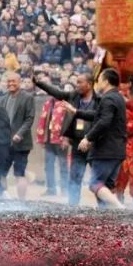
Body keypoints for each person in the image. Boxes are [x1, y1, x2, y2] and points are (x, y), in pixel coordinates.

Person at [35, 72, 98, 205]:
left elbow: (101, 119)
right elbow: (56, 92)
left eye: (80, 82)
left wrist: (90, 139)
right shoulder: (74, 96)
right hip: (77, 142)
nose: (77, 85)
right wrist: (39, 83)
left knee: (99, 176)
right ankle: (73, 205)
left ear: (90, 84)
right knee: (75, 175)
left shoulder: (99, 100)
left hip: (94, 143)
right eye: (77, 82)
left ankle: (105, 207)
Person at [76, 69, 126, 209]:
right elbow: (99, 115)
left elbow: (104, 121)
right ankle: (107, 216)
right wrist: (77, 112)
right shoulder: (118, 97)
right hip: (117, 150)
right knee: (107, 187)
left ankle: (120, 208)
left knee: (94, 183)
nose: (97, 83)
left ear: (106, 81)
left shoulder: (108, 98)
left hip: (106, 150)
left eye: (99, 80)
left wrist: (88, 138)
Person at [0, 72, 35, 200]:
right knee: (1, 173)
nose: (11, 84)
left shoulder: (27, 97)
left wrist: (19, 134)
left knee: (19, 174)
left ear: (19, 82)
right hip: (5, 143)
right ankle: (3, 200)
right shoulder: (3, 98)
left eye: (14, 81)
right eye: (9, 81)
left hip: (21, 143)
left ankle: (21, 203)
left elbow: (29, 119)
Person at [35, 85, 69, 197]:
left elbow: (69, 123)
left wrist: (66, 138)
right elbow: (42, 121)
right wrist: (41, 138)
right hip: (48, 139)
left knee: (63, 165)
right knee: (48, 166)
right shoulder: (48, 104)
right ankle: (51, 189)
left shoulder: (66, 104)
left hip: (60, 139)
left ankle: (65, 189)